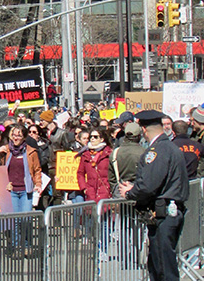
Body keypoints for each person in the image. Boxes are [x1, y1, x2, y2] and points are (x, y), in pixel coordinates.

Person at [119, 110, 189, 281]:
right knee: (161, 263)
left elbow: (149, 185)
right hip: (168, 209)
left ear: (143, 129)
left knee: (162, 267)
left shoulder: (157, 150)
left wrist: (130, 193)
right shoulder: (169, 147)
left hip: (164, 213)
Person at [0, 124, 42, 211]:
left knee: (25, 219)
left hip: (26, 190)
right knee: (13, 219)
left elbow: (37, 170)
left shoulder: (31, 152)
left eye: (19, 136)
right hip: (10, 190)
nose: (15, 138)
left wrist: (38, 184)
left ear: (24, 138)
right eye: (14, 135)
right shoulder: (6, 150)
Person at [108, 123, 145, 198]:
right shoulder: (144, 153)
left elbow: (111, 179)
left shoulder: (115, 153)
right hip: (139, 195)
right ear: (139, 136)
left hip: (120, 193)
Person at [77, 127, 113, 202]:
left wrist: (110, 187)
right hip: (91, 193)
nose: (92, 139)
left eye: (95, 137)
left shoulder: (108, 153)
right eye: (91, 136)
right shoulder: (85, 155)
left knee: (104, 212)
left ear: (102, 139)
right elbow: (80, 173)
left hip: (105, 192)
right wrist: (84, 188)